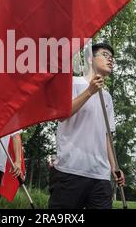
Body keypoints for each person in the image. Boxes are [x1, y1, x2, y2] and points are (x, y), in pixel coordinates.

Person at [48, 42, 125, 209]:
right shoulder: (73, 83)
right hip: (70, 171)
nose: (110, 60)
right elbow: (61, 116)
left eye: (112, 58)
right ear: (90, 58)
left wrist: (115, 167)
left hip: (100, 176)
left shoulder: (108, 98)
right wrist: (89, 91)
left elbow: (107, 136)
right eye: (105, 55)